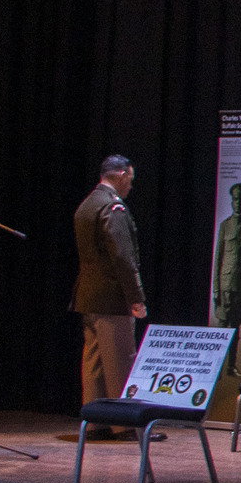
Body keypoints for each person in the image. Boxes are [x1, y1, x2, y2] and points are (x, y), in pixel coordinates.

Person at [73, 156, 146, 410]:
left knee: (95, 363)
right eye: (130, 179)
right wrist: (136, 297)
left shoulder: (87, 204)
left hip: (88, 295)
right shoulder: (112, 207)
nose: (131, 185)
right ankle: (125, 423)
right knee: (120, 362)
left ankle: (95, 421)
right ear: (122, 174)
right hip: (113, 297)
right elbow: (123, 257)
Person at [211, 181, 241, 328]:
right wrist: (216, 288)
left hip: (240, 286)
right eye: (235, 200)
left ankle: (233, 352)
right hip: (225, 286)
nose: (238, 203)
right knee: (222, 324)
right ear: (231, 202)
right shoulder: (225, 225)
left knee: (236, 327)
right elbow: (218, 258)